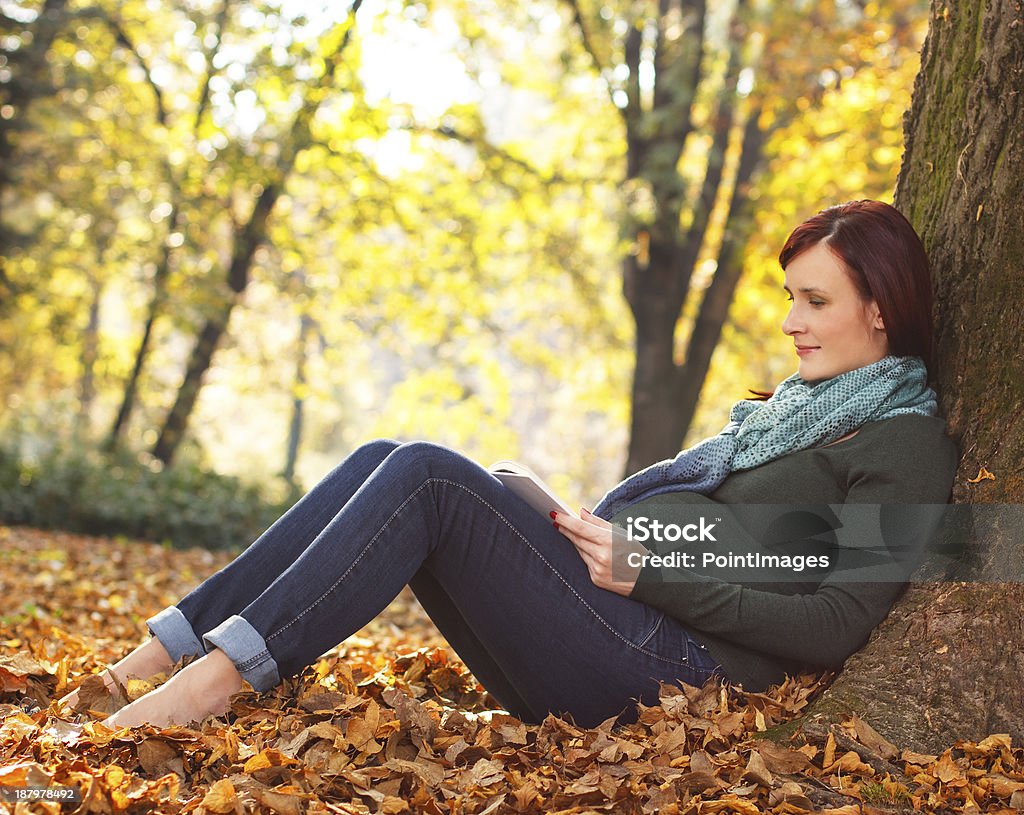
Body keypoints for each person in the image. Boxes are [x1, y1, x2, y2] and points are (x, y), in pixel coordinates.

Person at [56, 199, 957, 730]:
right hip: (614, 620)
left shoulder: (901, 441)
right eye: (789, 297)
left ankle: (214, 682)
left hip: (673, 669)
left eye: (815, 300)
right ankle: (163, 653)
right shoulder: (794, 410)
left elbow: (837, 622)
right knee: (389, 456)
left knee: (432, 476)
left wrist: (653, 574)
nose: (792, 321)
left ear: (880, 309)